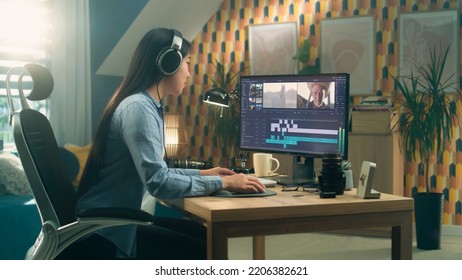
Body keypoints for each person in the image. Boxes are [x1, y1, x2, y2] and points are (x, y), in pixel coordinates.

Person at [57, 28, 266, 260]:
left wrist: (204, 173)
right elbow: (158, 183)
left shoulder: (144, 104)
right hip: (107, 231)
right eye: (187, 62)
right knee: (205, 250)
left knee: (200, 233)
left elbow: (159, 172)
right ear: (169, 63)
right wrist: (223, 182)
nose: (189, 72)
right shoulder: (138, 108)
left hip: (114, 221)